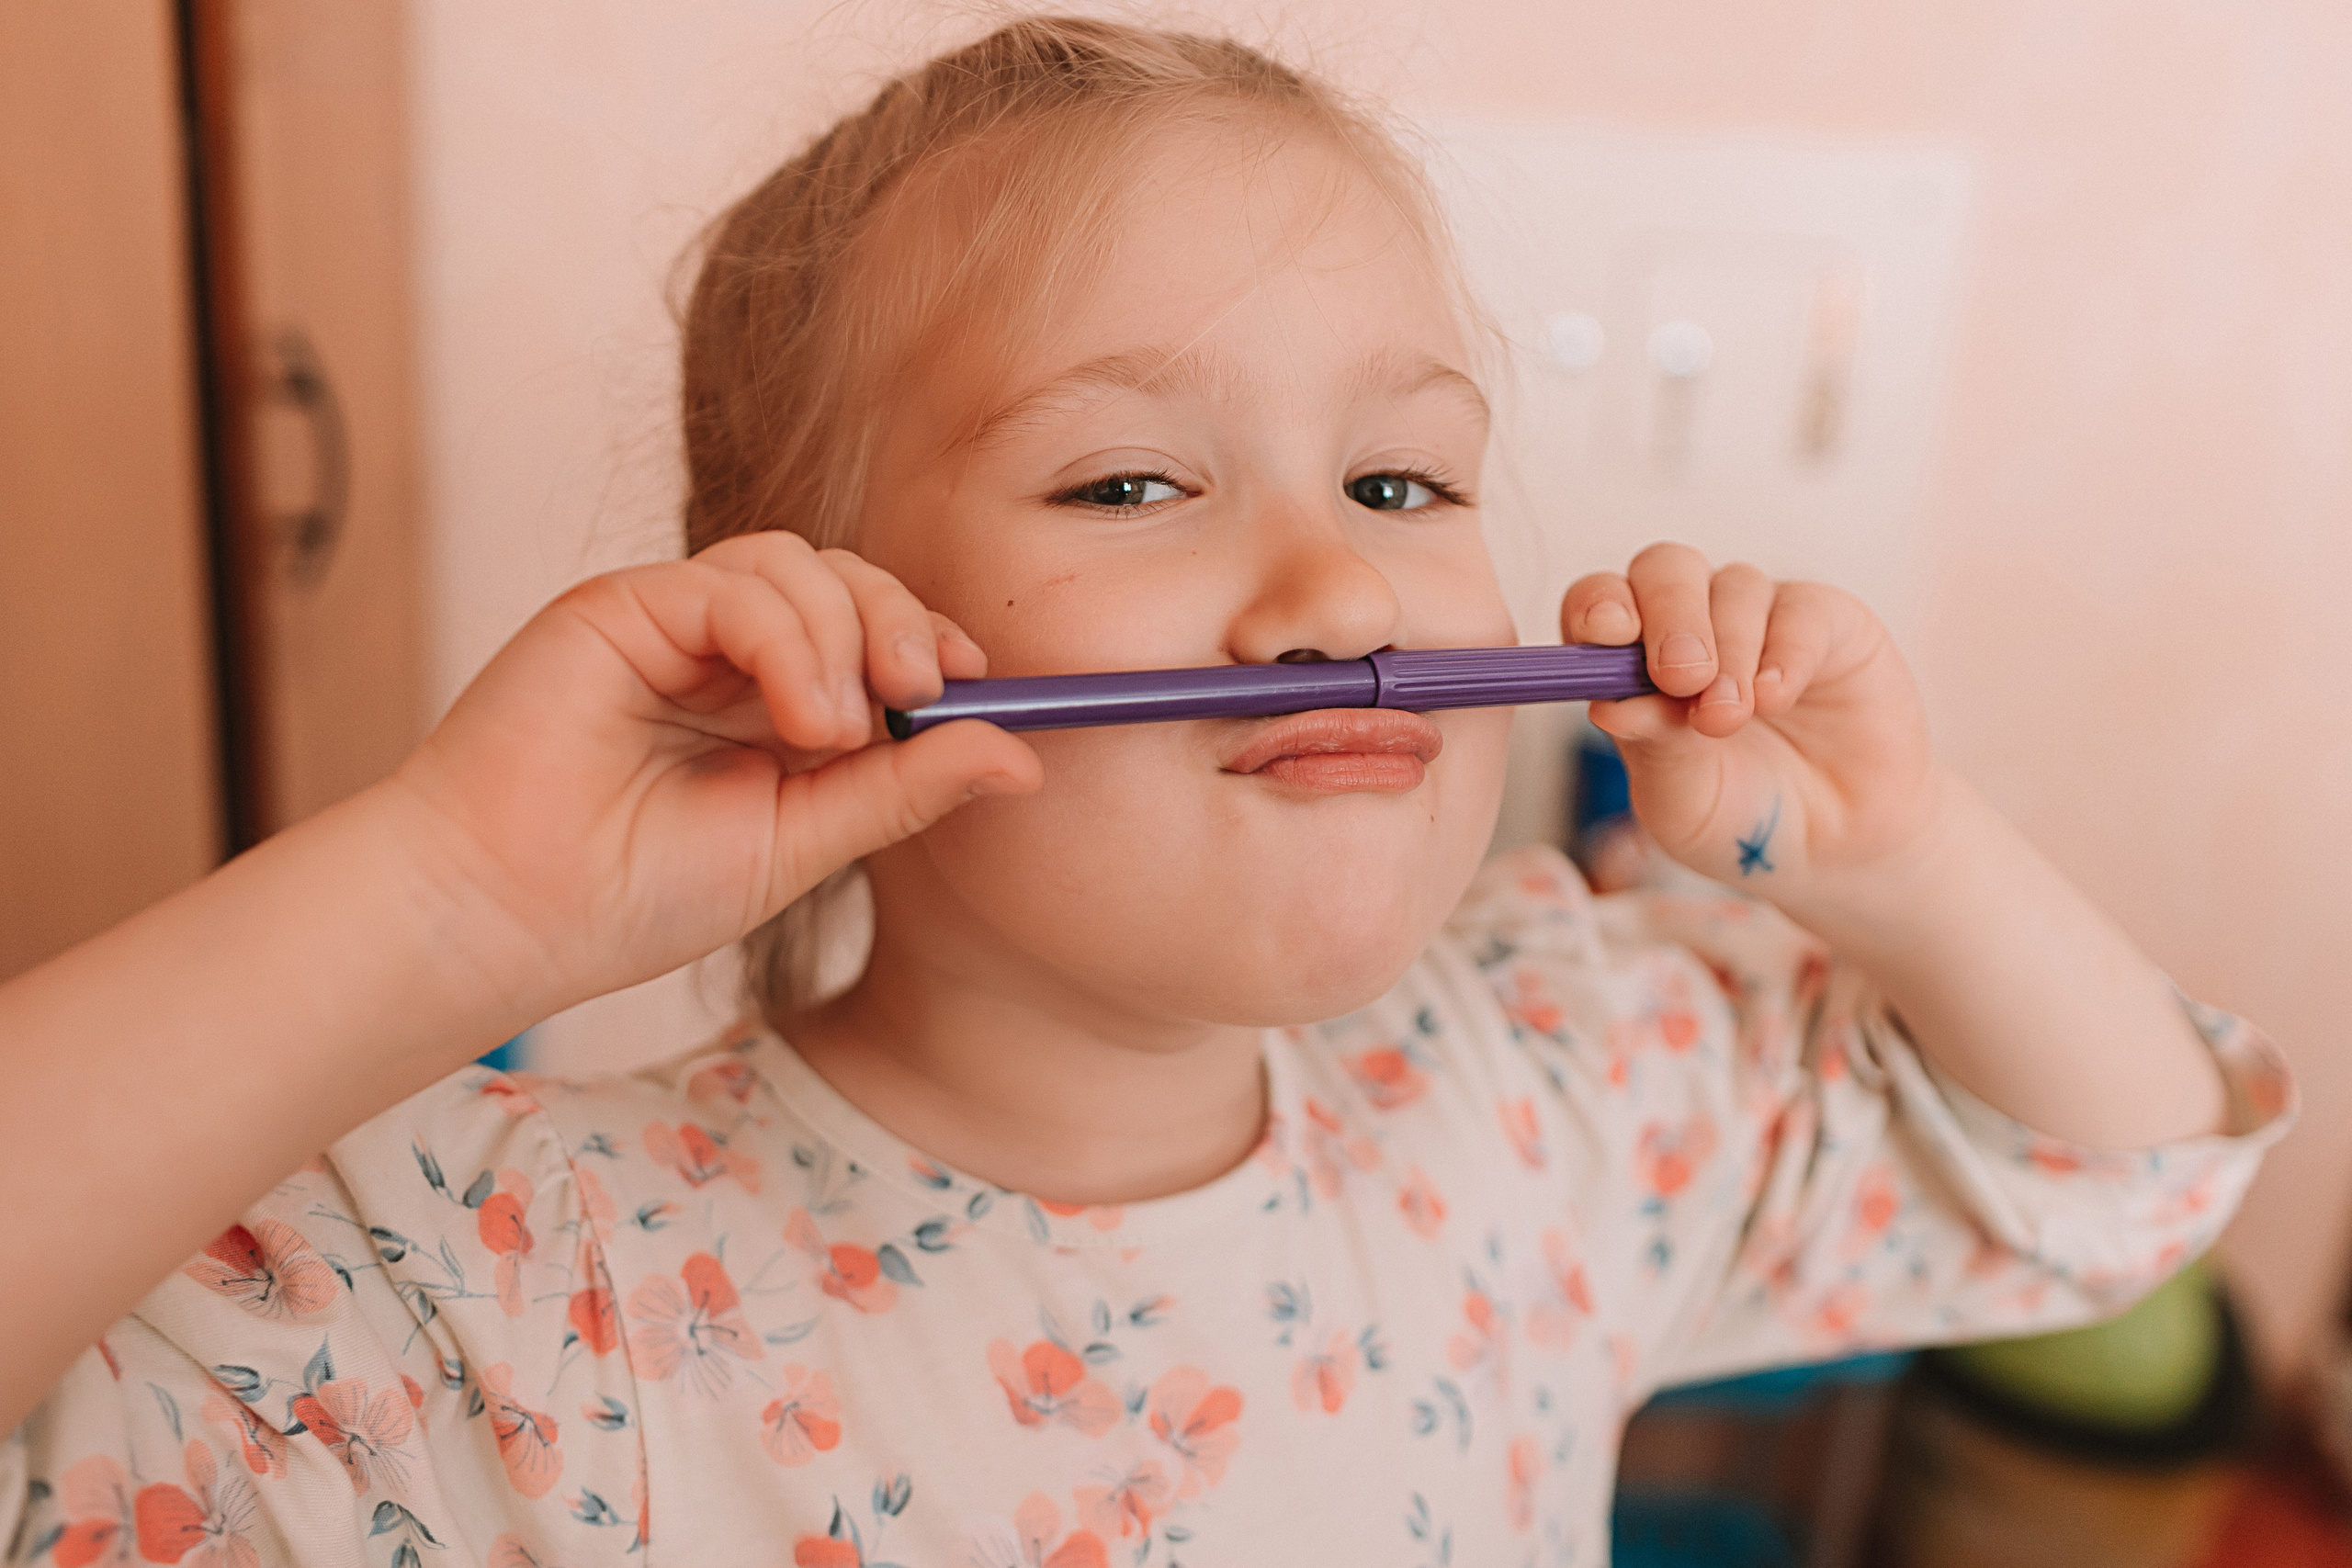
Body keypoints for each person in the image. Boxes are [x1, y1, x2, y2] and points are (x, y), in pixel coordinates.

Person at [0, 17, 2290, 1565]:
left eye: (1399, 472)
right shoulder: (512, 1293)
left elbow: (2117, 1183)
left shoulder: (1548, 1086)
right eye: (1128, 476)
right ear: (818, 645)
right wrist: (442, 898)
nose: (1333, 583)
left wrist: (1895, 862)